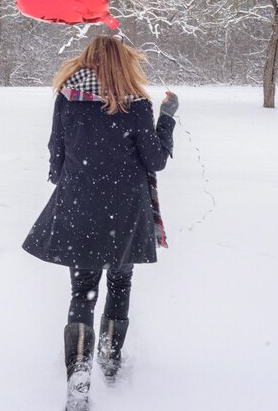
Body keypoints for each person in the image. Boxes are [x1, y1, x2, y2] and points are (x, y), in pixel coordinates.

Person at [22, 35, 178, 411]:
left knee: (83, 291)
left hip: (80, 204)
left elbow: (55, 152)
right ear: (125, 61)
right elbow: (155, 161)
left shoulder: (68, 96)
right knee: (120, 282)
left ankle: (79, 371)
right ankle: (109, 358)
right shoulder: (137, 104)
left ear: (86, 59)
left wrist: (73, 181)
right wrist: (168, 117)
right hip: (125, 209)